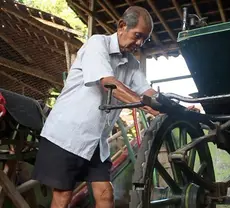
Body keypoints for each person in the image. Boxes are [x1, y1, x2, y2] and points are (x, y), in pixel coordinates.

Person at [32, 6, 160, 208]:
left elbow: (147, 92)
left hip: (96, 141)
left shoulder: (132, 65)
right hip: (67, 134)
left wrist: (171, 105)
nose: (139, 43)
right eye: (137, 36)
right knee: (63, 196)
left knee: (105, 194)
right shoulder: (97, 44)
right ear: (121, 26)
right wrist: (149, 106)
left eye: (144, 39)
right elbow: (108, 83)